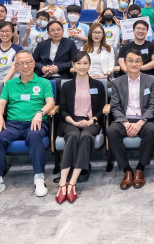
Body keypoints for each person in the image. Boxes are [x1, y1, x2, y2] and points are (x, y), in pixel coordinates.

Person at [0, 50, 55, 201]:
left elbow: (51, 103)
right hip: (13, 124)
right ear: (15, 66)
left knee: (35, 136)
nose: (25, 66)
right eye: (21, 63)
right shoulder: (9, 84)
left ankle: (39, 178)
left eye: (28, 62)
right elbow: (1, 103)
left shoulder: (44, 82)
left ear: (34, 63)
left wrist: (40, 112)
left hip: (35, 123)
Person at [56, 52, 107, 204]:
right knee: (72, 136)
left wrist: (92, 120)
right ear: (73, 65)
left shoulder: (98, 85)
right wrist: (73, 121)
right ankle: (62, 183)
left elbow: (101, 108)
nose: (82, 66)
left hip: (91, 122)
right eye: (79, 63)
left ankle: (73, 182)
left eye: (85, 63)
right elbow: (62, 109)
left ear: (89, 65)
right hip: (70, 121)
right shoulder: (67, 85)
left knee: (85, 136)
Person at [107, 48, 154, 190]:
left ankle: (140, 169)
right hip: (125, 119)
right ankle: (127, 170)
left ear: (142, 63)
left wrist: (140, 122)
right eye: (131, 61)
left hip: (143, 120)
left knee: (151, 130)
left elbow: (153, 105)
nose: (134, 64)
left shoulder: (151, 81)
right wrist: (125, 123)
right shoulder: (118, 82)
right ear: (125, 63)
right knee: (111, 131)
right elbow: (115, 106)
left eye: (137, 61)